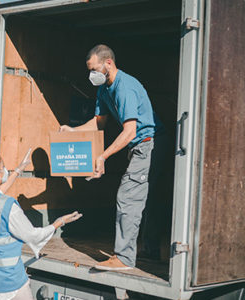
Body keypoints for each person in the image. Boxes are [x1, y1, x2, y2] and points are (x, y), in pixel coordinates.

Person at [60, 44, 166, 270]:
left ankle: (124, 258)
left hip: (149, 144)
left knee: (128, 196)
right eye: (90, 70)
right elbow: (99, 122)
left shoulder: (124, 87)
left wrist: (103, 157)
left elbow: (129, 132)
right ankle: (151, 250)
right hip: (141, 144)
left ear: (108, 63)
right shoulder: (104, 89)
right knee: (146, 196)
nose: (92, 75)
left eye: (95, 69)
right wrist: (73, 130)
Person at [0, 151, 82, 299]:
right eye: (3, 167)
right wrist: (58, 223)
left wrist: (18, 170)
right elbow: (32, 236)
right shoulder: (7, 207)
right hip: (8, 285)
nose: (5, 170)